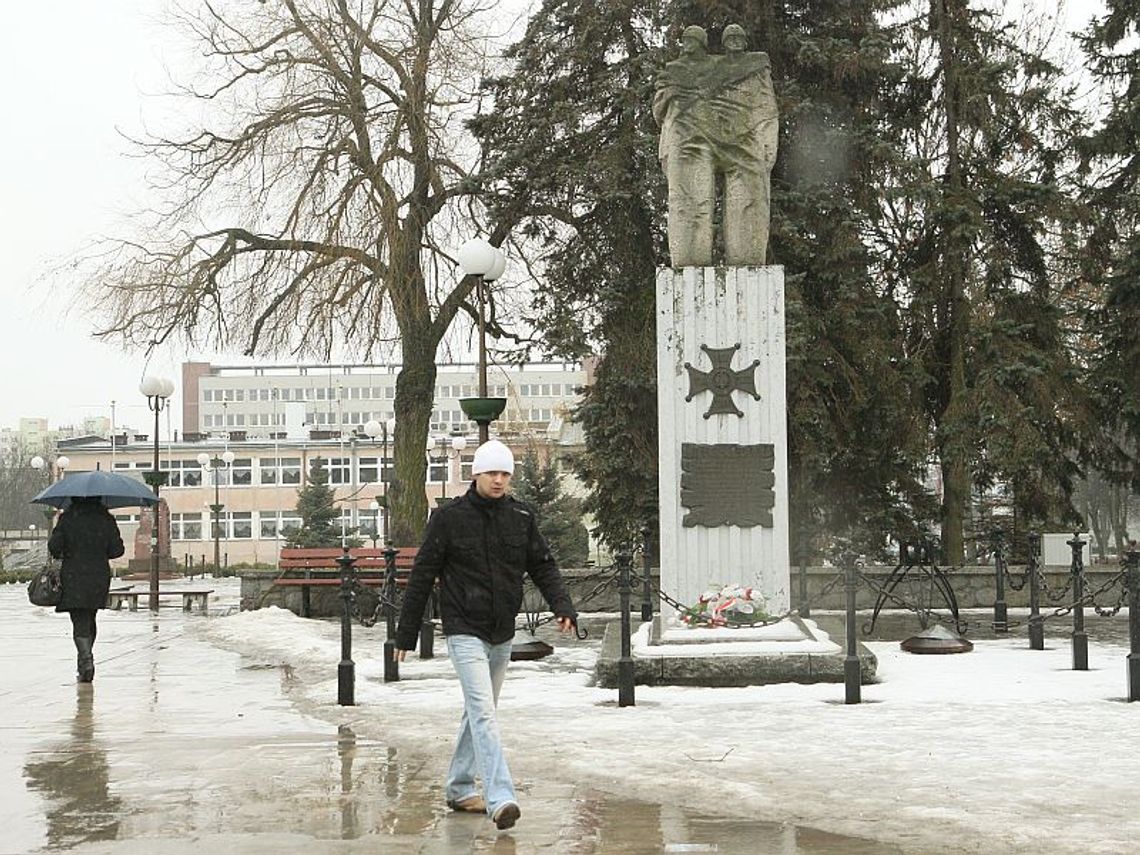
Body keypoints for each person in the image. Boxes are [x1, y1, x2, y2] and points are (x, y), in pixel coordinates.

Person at [394, 439, 577, 831]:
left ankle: (459, 788)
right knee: (483, 712)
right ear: (475, 474)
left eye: (505, 473)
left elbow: (543, 565)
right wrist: (405, 634)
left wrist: (562, 606)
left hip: (501, 631)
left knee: (480, 713)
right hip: (463, 628)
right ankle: (501, 798)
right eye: (491, 472)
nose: (498, 480)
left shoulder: (520, 516)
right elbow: (423, 574)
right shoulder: (448, 518)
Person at [48, 497, 125, 683]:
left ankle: (86, 661)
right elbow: (117, 551)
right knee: (90, 616)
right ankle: (84, 662)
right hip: (98, 576)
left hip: (74, 575)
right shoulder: (106, 519)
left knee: (79, 619)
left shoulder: (68, 518)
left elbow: (54, 547)